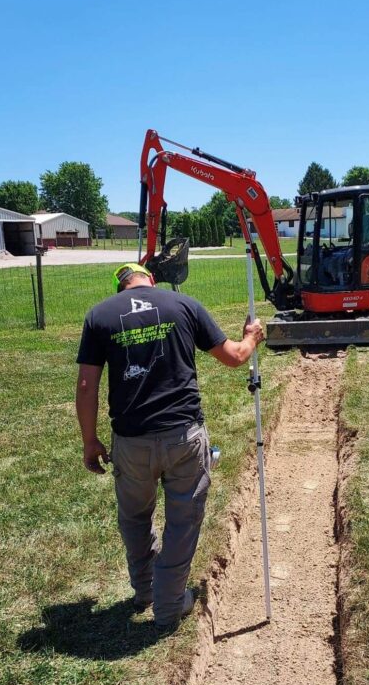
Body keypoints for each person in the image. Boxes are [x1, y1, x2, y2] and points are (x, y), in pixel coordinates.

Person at [76, 262, 265, 631]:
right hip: (184, 437)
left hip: (131, 442)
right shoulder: (183, 305)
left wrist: (89, 440)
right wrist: (252, 337)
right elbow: (234, 357)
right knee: (182, 520)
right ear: (151, 280)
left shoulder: (100, 316)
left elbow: (86, 386)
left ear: (121, 287)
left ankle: (146, 589)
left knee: (134, 517)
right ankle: (168, 603)